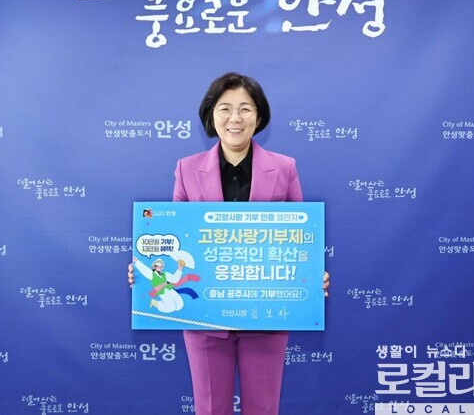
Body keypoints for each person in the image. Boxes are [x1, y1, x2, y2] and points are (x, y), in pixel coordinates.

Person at [129, 72, 329, 415]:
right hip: (205, 320)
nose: (235, 118)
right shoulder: (186, 169)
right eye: (225, 109)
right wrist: (146, 269)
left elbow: (301, 239)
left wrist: (312, 276)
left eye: (245, 109)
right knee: (210, 409)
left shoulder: (284, 168)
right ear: (212, 115)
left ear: (259, 117)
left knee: (263, 409)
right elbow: (174, 238)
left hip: (266, 316)